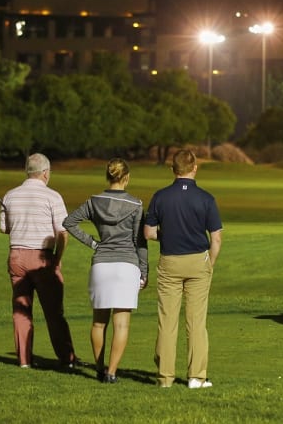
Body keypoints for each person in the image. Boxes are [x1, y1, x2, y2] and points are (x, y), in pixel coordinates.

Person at [63, 158, 148, 384]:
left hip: (101, 265)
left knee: (99, 323)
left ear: (108, 176)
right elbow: (140, 241)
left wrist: (93, 243)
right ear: (126, 177)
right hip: (127, 266)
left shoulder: (94, 202)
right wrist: (144, 271)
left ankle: (100, 370)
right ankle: (111, 372)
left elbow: (69, 222)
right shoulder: (136, 205)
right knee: (121, 324)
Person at [144, 149, 223, 389]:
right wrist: (210, 263)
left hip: (170, 261)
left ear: (173, 169)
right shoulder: (206, 198)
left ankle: (165, 378)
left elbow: (148, 233)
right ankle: (196, 378)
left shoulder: (160, 197)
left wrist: (167, 234)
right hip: (198, 262)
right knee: (196, 322)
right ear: (195, 168)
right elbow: (216, 238)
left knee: (167, 321)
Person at [0, 153, 78, 368]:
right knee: (53, 312)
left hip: (17, 257)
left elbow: (5, 228)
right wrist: (58, 258)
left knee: (21, 310)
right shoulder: (53, 196)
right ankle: (67, 359)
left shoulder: (10, 195)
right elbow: (63, 233)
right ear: (45, 173)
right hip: (42, 258)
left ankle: (24, 360)